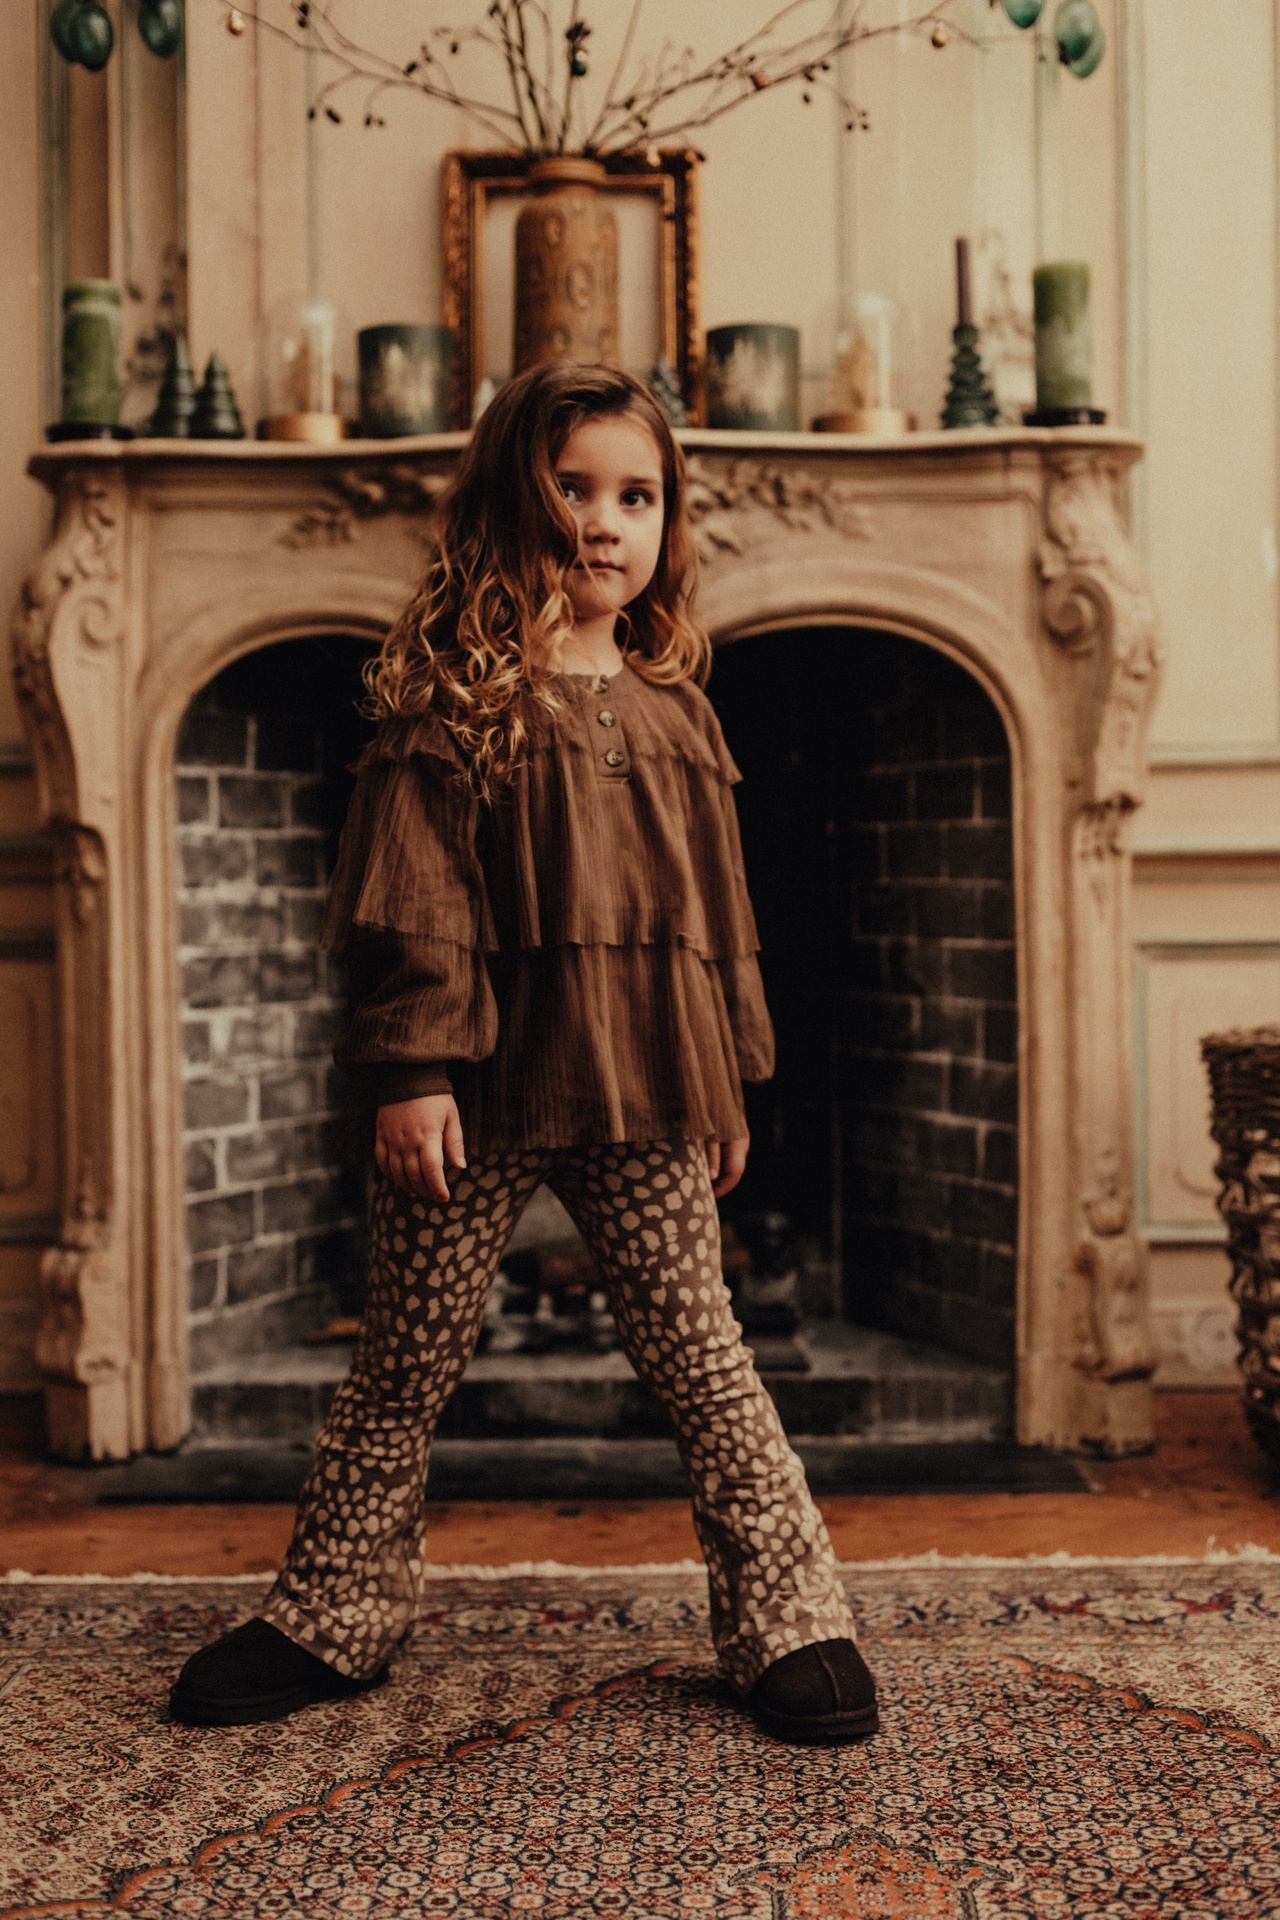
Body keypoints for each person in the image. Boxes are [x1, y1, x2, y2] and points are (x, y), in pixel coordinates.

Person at [170, 363, 878, 1746]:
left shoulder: (679, 712)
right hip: (477, 1096)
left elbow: (716, 915)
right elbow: (412, 899)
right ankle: (332, 1612)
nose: (606, 521)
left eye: (638, 496)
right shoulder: (450, 701)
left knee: (705, 1357)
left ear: (668, 520)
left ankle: (791, 1615)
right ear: (509, 500)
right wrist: (412, 1071)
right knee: (404, 1364)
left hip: (646, 1089)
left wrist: (728, 1071)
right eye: (573, 488)